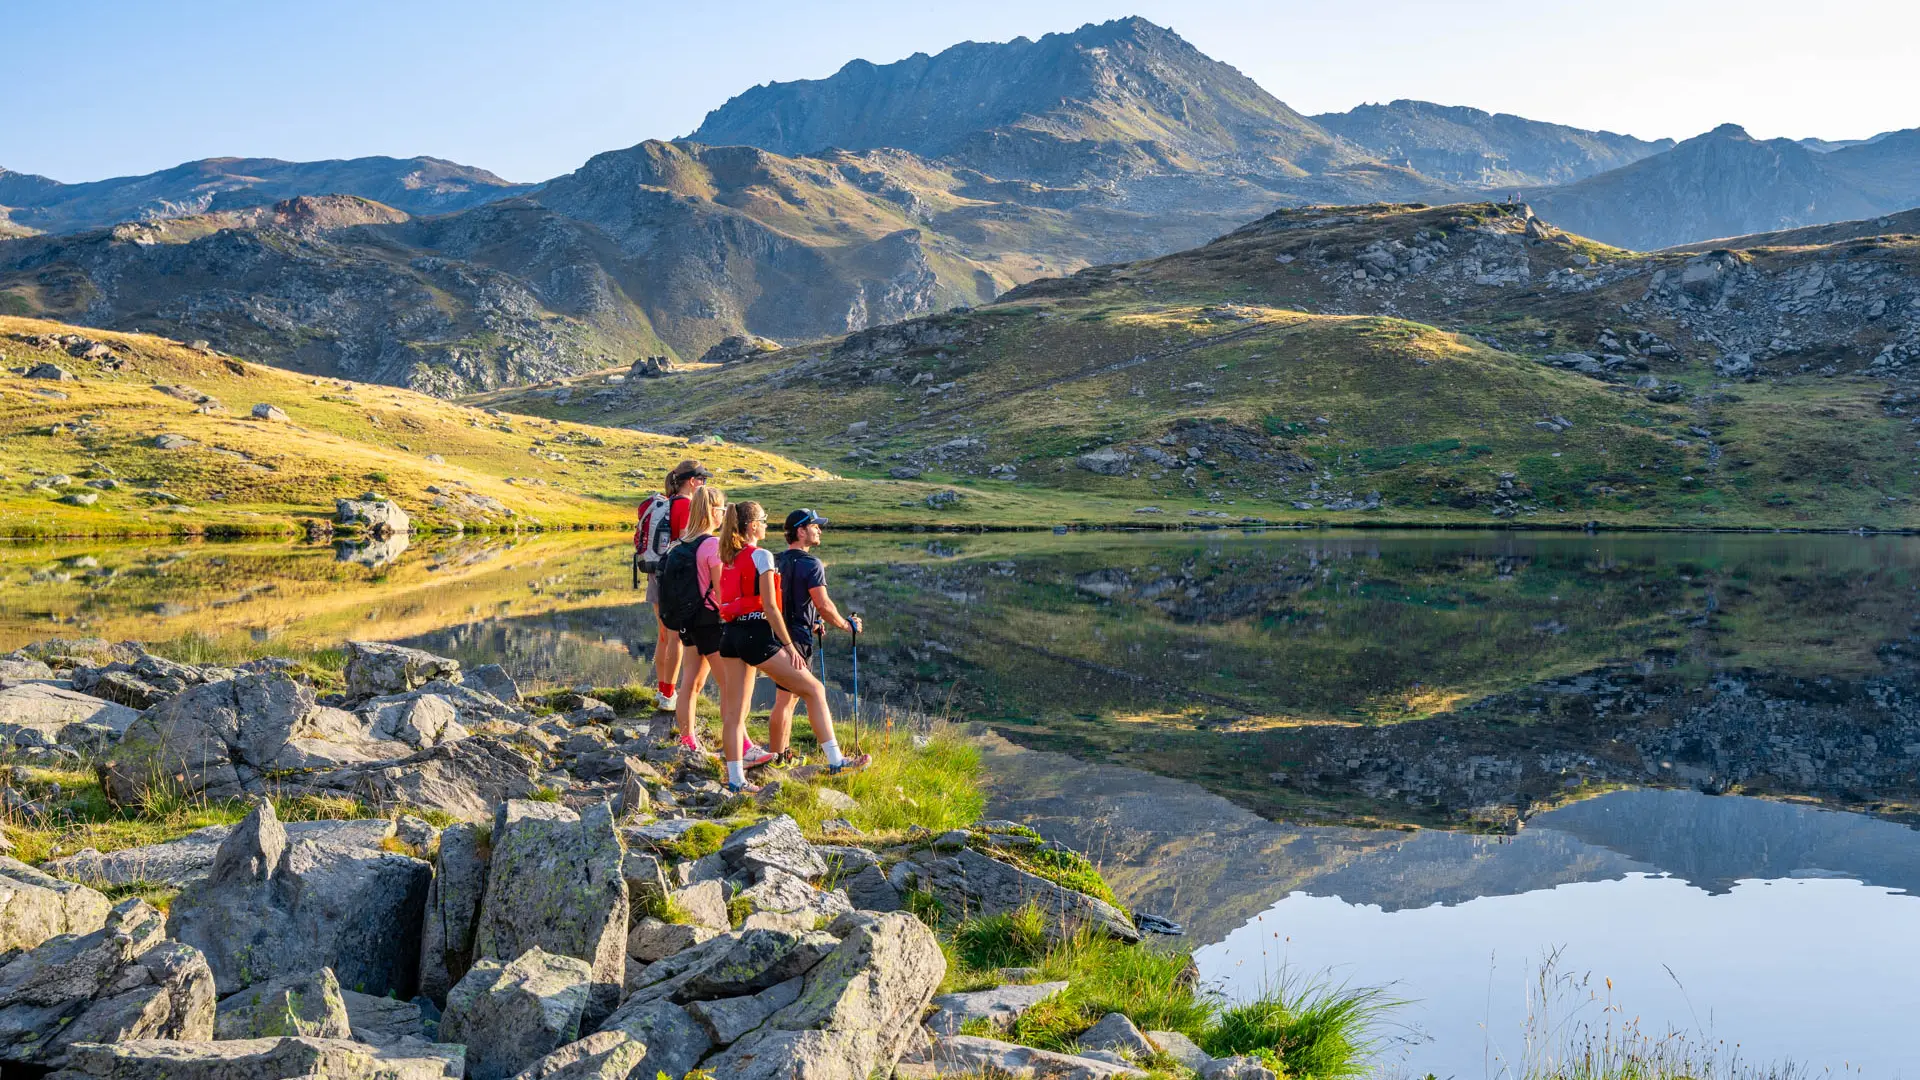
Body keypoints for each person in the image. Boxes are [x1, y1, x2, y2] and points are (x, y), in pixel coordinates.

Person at [715, 501, 869, 794]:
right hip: (758, 636)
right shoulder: (761, 556)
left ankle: (736, 781)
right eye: (762, 520)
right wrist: (789, 647)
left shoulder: (729, 557)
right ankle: (836, 761)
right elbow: (771, 608)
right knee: (814, 690)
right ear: (751, 527)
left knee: (735, 713)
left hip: (730, 635)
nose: (766, 524)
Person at [767, 508, 861, 764]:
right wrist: (846, 624)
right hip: (796, 639)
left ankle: (780, 755)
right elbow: (823, 604)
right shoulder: (811, 564)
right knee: (788, 699)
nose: (819, 529)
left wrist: (814, 623)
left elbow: (785, 600)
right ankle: (782, 757)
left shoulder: (775, 560)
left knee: (787, 698)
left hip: (776, 634)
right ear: (800, 531)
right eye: (815, 526)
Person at [669, 483, 728, 754]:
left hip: (688, 621)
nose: (725, 514)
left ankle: (688, 741)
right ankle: (740, 744)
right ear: (711, 511)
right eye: (722, 509)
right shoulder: (712, 544)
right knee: (730, 686)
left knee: (690, 683)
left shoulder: (683, 543)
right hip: (711, 621)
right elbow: (721, 590)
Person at [647, 459, 709, 711]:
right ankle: (669, 696)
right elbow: (689, 541)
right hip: (675, 577)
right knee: (676, 638)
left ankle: (663, 691)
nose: (704, 485)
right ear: (693, 481)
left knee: (663, 636)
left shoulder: (664, 503)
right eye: (703, 480)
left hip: (655, 573)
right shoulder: (685, 506)